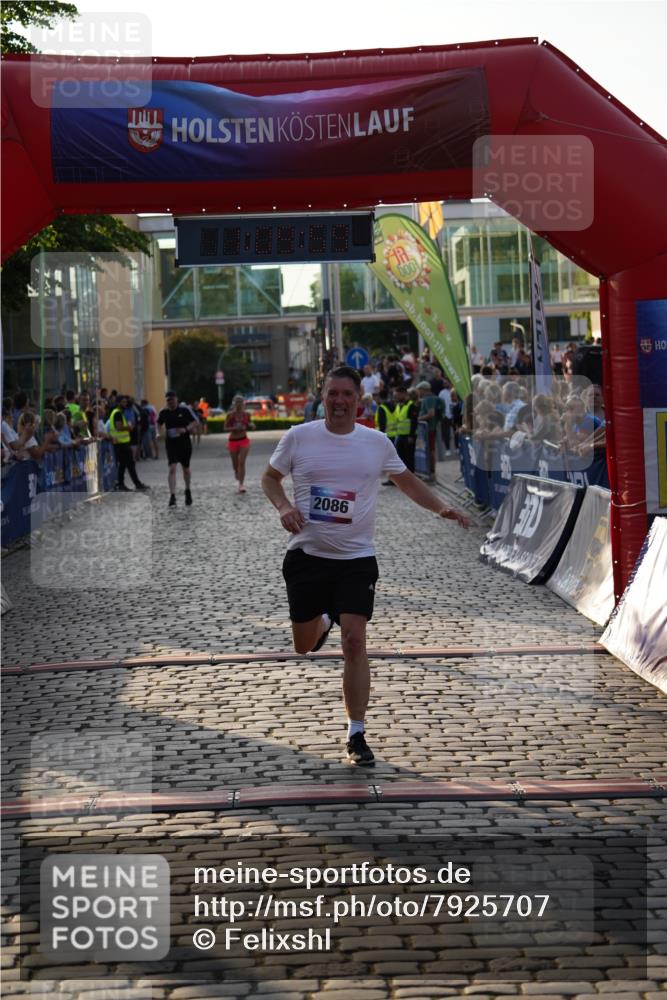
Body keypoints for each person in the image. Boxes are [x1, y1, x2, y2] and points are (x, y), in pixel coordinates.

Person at [261, 365, 470, 767]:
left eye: (347, 395)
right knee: (303, 646)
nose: (339, 401)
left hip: (356, 559)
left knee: (355, 641)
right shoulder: (299, 437)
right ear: (322, 396)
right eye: (332, 394)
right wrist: (284, 506)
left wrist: (441, 507)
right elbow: (270, 478)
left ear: (359, 400)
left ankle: (356, 732)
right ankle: (321, 622)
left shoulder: (376, 443)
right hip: (306, 556)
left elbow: (407, 481)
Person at [157, 390, 198, 506]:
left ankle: (188, 490)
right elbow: (159, 423)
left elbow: (195, 422)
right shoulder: (164, 412)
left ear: (176, 399)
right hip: (171, 443)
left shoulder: (184, 410)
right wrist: (158, 432)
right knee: (172, 468)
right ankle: (172, 495)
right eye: (168, 400)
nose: (170, 402)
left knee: (185, 469)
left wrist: (185, 429)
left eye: (172, 399)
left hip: (184, 442)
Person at [107, 400, 149, 492]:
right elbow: (119, 427)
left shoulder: (117, 412)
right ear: (118, 403)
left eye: (125, 402)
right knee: (130, 464)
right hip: (121, 443)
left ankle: (121, 484)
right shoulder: (118, 413)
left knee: (123, 464)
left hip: (121, 443)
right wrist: (129, 427)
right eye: (123, 402)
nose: (125, 404)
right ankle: (136, 484)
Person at [224, 394, 255, 493]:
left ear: (243, 404)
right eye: (236, 402)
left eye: (240, 402)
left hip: (244, 440)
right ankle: (236, 472)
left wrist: (251, 425)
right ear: (234, 404)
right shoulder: (230, 415)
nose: (238, 404)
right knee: (235, 465)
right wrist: (234, 428)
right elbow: (225, 428)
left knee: (242, 462)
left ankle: (241, 485)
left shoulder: (246, 415)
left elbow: (251, 425)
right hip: (233, 441)